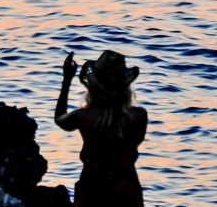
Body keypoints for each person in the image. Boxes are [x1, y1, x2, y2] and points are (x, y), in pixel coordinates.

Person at [55, 49, 148, 206]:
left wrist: (66, 80)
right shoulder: (139, 116)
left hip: (92, 188)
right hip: (127, 188)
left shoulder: (84, 117)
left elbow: (60, 119)